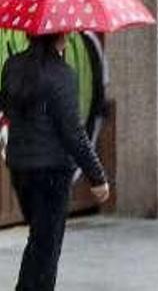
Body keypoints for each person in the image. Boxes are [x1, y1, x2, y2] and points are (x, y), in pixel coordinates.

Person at [0, 33, 110, 291]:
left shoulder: (13, 66)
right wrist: (97, 176)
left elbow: (6, 105)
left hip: (20, 167)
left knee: (39, 239)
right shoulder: (62, 74)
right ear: (59, 37)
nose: (71, 34)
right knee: (47, 247)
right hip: (52, 172)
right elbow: (74, 133)